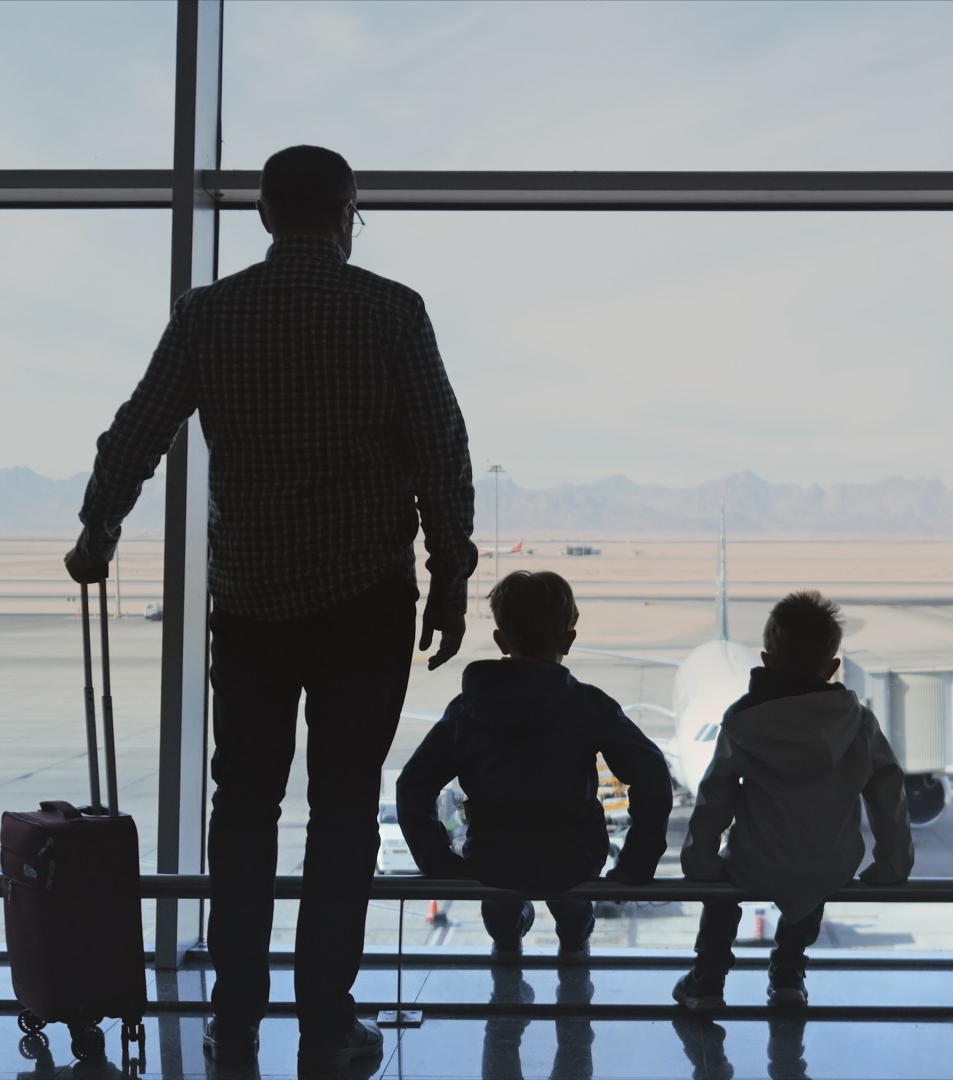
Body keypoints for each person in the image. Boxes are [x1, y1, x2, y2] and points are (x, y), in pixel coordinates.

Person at [63, 144, 478, 1073]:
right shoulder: (392, 312)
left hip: (249, 604)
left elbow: (137, 429)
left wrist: (98, 532)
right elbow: (442, 452)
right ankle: (325, 1014)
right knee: (341, 814)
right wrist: (450, 575)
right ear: (346, 214)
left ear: (260, 216)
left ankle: (235, 1015)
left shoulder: (212, 314)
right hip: (366, 601)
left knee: (242, 808)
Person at [396, 570, 672, 962]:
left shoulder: (467, 711)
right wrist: (636, 863)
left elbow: (412, 787)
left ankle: (507, 951)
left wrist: (439, 864)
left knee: (500, 912)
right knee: (575, 916)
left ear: (500, 640)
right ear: (568, 639)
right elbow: (653, 778)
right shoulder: (588, 706)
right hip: (574, 858)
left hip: (494, 859)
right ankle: (574, 952)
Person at [673, 590, 913, 1011]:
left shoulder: (743, 721)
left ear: (767, 661)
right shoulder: (858, 722)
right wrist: (893, 865)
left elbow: (715, 798)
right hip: (830, 863)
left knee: (724, 889)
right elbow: (887, 793)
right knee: (814, 872)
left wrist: (701, 862)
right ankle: (788, 973)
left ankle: (707, 980)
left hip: (756, 861)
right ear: (833, 668)